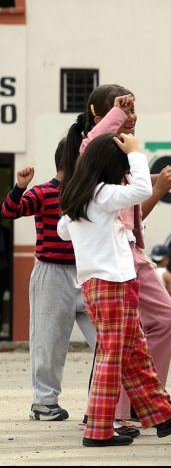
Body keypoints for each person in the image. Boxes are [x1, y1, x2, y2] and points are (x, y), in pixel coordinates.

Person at [65, 84, 171, 431]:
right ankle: (109, 419)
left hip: (128, 257)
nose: (131, 118)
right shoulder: (92, 167)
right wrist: (120, 121)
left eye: (133, 111)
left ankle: (147, 410)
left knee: (153, 326)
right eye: (122, 112)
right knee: (115, 346)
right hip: (112, 270)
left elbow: (126, 216)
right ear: (99, 118)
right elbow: (93, 149)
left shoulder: (110, 178)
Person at [1, 139, 97, 422]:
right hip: (52, 274)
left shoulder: (92, 193)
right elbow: (9, 212)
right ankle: (44, 403)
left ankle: (104, 403)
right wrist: (20, 187)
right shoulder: (43, 192)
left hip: (89, 272)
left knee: (107, 341)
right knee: (48, 341)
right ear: (73, 161)